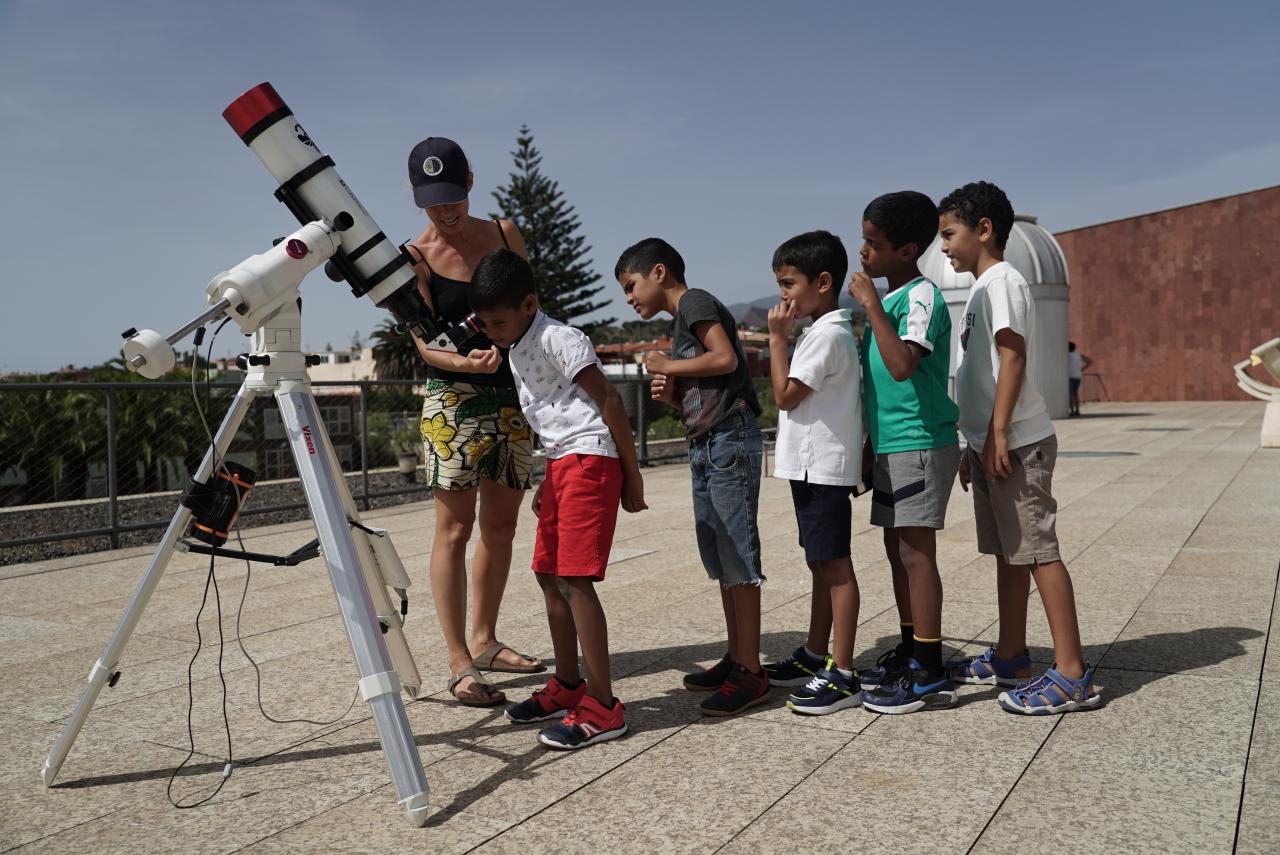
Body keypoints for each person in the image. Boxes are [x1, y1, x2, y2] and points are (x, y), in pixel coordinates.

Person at [469, 249, 646, 749]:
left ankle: (605, 705)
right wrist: (549, 478)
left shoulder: (558, 338)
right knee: (547, 573)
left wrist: (632, 476)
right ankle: (569, 685)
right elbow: (554, 419)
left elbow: (608, 401)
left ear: (530, 303)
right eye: (484, 323)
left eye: (498, 321)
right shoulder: (516, 345)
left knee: (575, 579)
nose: (491, 331)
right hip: (564, 463)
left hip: (592, 459)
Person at [939, 181, 1101, 714]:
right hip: (991, 441)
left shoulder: (1003, 282)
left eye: (949, 234)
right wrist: (977, 440)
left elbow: (1012, 359)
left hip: (1018, 441)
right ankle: (1011, 655)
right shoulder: (985, 287)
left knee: (1037, 551)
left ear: (983, 230)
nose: (943, 247)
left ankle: (1072, 674)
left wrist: (1001, 433)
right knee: (1011, 553)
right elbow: (981, 372)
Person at [403, 137, 542, 707]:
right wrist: (463, 360)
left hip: (511, 396)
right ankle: (459, 659)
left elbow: (531, 306)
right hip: (454, 401)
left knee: (502, 529)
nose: (445, 211)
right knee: (454, 530)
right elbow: (421, 341)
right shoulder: (414, 256)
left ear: (470, 182)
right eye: (432, 201)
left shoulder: (507, 234)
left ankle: (485, 640)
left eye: (452, 196)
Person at [616, 238, 770, 716]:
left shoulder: (695, 301)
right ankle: (736, 656)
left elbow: (725, 358)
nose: (629, 297)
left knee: (738, 556)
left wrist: (669, 364)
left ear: (658, 272)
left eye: (630, 285)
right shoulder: (681, 321)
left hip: (728, 436)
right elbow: (706, 381)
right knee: (721, 555)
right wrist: (673, 391)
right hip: (707, 441)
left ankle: (752, 672)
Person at [846, 191, 961, 714]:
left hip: (919, 441)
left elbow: (901, 367)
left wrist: (870, 305)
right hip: (892, 445)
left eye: (874, 244)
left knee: (916, 552)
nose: (863, 252)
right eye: (863, 240)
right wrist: (869, 445)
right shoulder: (892, 300)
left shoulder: (919, 297)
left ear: (907, 249)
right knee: (897, 550)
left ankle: (930, 667)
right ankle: (914, 645)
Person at [763, 230, 864, 716]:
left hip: (822, 468)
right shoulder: (820, 331)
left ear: (823, 282)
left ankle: (842, 673)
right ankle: (814, 652)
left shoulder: (827, 335)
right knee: (819, 562)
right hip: (810, 466)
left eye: (789, 284)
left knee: (835, 567)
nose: (784, 295)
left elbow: (784, 396)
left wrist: (775, 340)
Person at [1067, 342, 1093, 417]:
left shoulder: (1067, 355)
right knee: (1075, 393)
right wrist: (1081, 369)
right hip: (1078, 376)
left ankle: (1072, 410)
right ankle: (1077, 410)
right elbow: (1090, 361)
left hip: (1070, 376)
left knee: (1071, 394)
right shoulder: (1078, 354)